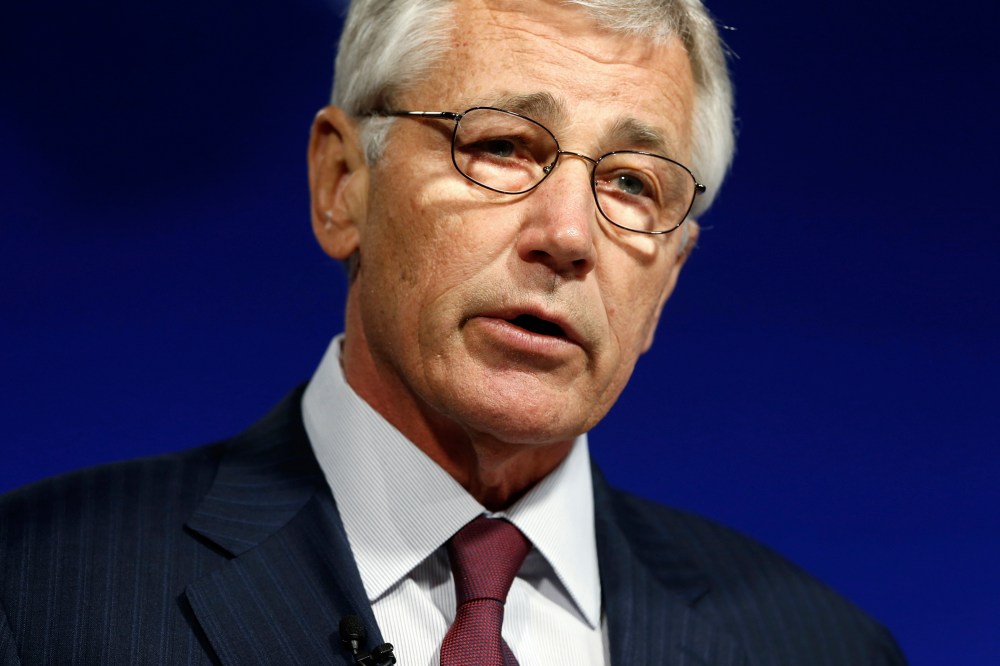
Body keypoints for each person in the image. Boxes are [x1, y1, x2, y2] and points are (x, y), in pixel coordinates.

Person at [0, 0, 906, 664]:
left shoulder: (825, 648)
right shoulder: (38, 596)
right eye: (504, 146)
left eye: (633, 183)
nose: (567, 236)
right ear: (342, 184)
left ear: (669, 277)